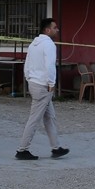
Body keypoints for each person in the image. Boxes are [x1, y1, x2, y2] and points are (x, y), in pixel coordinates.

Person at [16, 18, 69, 160]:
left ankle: (56, 147)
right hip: (43, 85)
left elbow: (27, 64)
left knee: (50, 117)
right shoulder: (49, 45)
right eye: (55, 27)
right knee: (34, 119)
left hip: (35, 82)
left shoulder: (34, 44)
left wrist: (28, 78)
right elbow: (50, 65)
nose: (57, 30)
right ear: (47, 30)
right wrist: (52, 82)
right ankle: (22, 149)